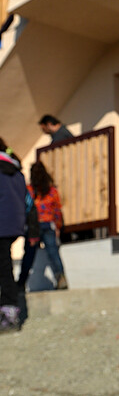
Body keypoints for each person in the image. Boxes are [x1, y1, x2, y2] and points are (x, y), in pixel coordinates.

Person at [0, 138, 35, 332]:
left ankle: (9, 314)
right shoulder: (16, 171)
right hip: (13, 225)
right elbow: (27, 201)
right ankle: (9, 311)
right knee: (5, 267)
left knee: (4, 269)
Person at [19, 161, 68, 290]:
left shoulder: (28, 190)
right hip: (48, 224)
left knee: (29, 255)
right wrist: (57, 226)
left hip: (32, 226)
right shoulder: (52, 190)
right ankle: (61, 278)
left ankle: (21, 282)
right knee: (53, 253)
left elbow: (24, 208)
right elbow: (57, 210)